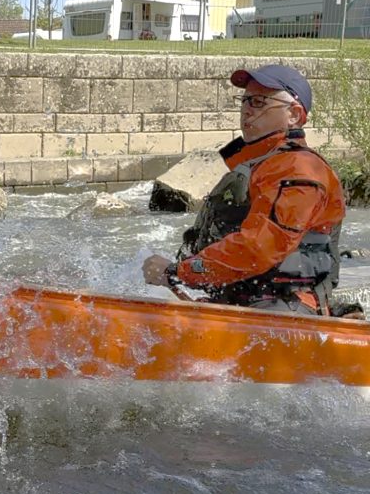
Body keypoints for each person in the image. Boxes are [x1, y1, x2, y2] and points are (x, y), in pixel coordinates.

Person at [142, 64, 348, 316]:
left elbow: (259, 248)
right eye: (245, 101)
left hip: (282, 307)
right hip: (243, 301)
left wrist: (179, 272)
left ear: (294, 115)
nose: (246, 110)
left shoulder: (300, 170)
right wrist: (179, 272)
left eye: (259, 102)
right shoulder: (262, 165)